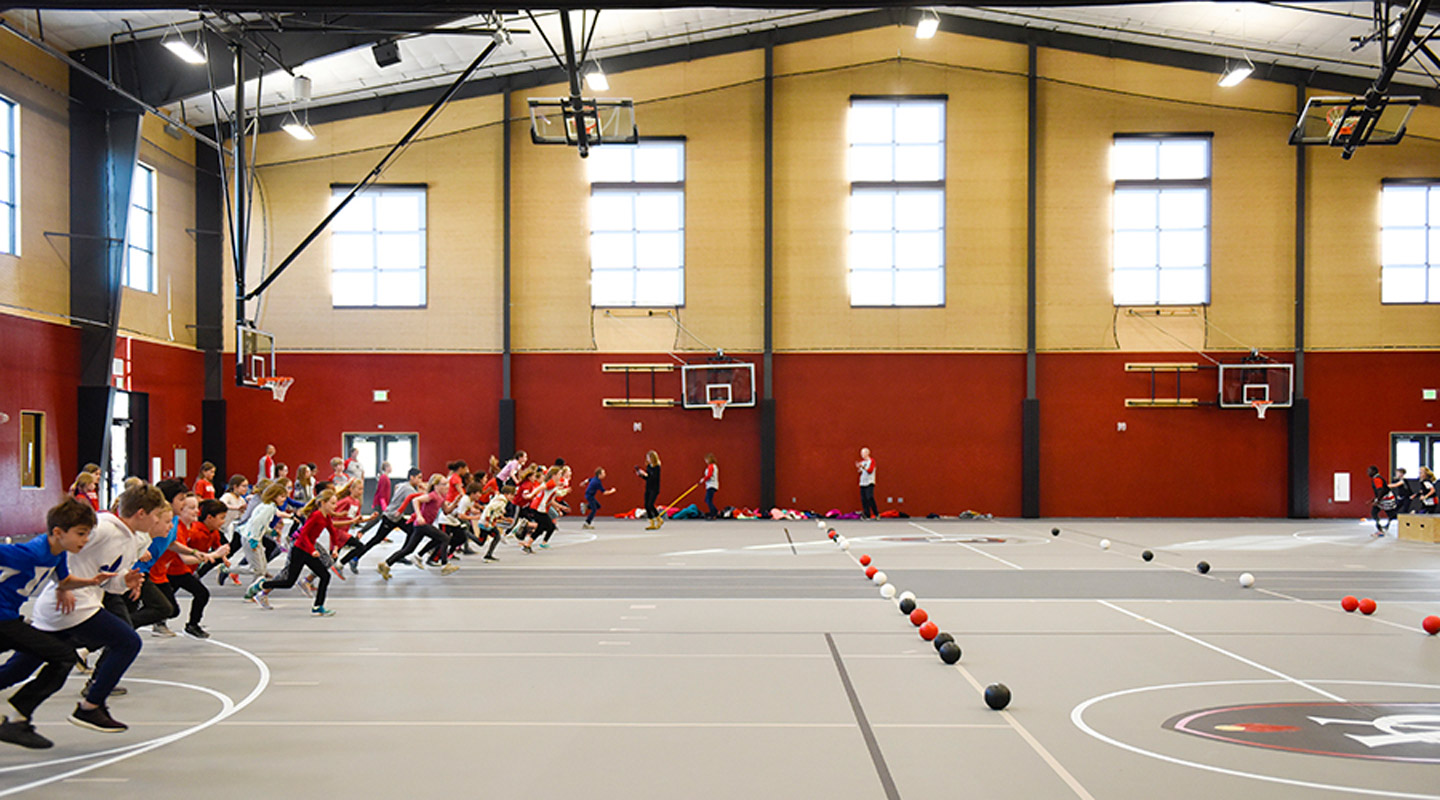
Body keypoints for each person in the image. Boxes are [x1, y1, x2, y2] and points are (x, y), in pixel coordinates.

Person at [0, 498, 130, 748]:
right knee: (63, 656)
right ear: (58, 532)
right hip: (3, 620)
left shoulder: (58, 554)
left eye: (88, 534)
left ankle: (19, 718)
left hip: (9, 619)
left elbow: (64, 581)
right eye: (81, 534)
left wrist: (92, 581)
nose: (84, 540)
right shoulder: (30, 553)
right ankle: (18, 719)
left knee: (46, 660)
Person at [246, 489, 341, 615]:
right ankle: (262, 585)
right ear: (323, 503)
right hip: (300, 550)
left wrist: (334, 548)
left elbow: (332, 532)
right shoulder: (316, 516)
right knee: (288, 582)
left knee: (325, 575)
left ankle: (318, 606)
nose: (335, 506)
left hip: (308, 550)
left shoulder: (326, 516)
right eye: (333, 503)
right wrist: (312, 550)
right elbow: (303, 535)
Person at [1368, 465, 1397, 536]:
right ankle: (1382, 528)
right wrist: (1373, 499)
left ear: (1374, 471)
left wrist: (1377, 501)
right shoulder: (1377, 478)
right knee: (1388, 513)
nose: (1368, 473)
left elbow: (1380, 490)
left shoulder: (1377, 479)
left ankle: (1380, 530)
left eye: (1369, 471)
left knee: (1376, 512)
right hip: (1385, 498)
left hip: (1386, 499)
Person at [637, 450, 662, 530]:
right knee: (646, 505)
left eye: (648, 457)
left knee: (650, 504)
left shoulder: (657, 467)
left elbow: (654, 478)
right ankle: (652, 522)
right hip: (648, 488)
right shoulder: (649, 466)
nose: (647, 459)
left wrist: (647, 474)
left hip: (654, 488)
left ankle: (659, 519)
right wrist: (642, 475)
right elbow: (648, 478)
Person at [856, 447, 878, 520]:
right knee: (864, 499)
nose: (862, 455)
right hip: (863, 483)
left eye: (863, 453)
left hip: (869, 482)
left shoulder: (871, 461)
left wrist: (863, 467)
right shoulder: (862, 462)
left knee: (870, 497)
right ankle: (867, 514)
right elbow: (860, 472)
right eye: (861, 453)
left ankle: (876, 513)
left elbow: (870, 471)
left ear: (867, 453)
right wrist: (859, 467)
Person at [700, 454, 720, 519]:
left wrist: (703, 480)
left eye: (706, 459)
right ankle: (714, 511)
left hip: (711, 485)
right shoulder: (714, 466)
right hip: (712, 485)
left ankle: (714, 512)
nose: (705, 461)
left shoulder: (711, 466)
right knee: (707, 500)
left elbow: (709, 475)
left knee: (708, 500)